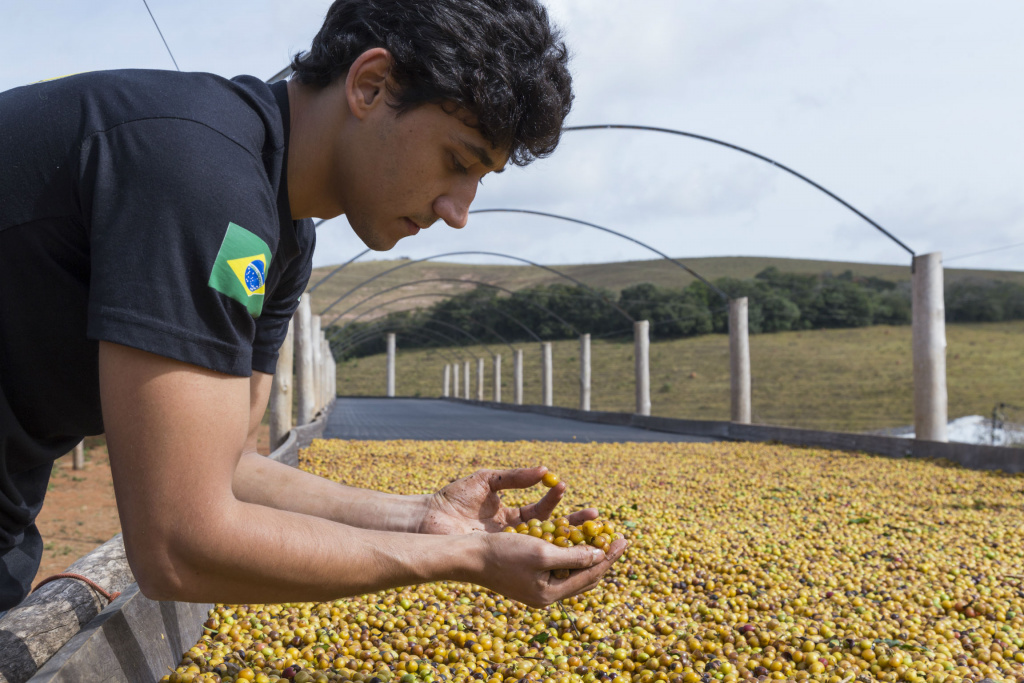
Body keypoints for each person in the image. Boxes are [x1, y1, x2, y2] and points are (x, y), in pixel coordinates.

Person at [0, 0, 627, 613]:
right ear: (372, 84)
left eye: (477, 181)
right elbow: (178, 545)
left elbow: (231, 468)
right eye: (456, 161)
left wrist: (427, 518)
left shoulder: (284, 237)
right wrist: (462, 562)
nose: (457, 212)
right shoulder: (197, 172)